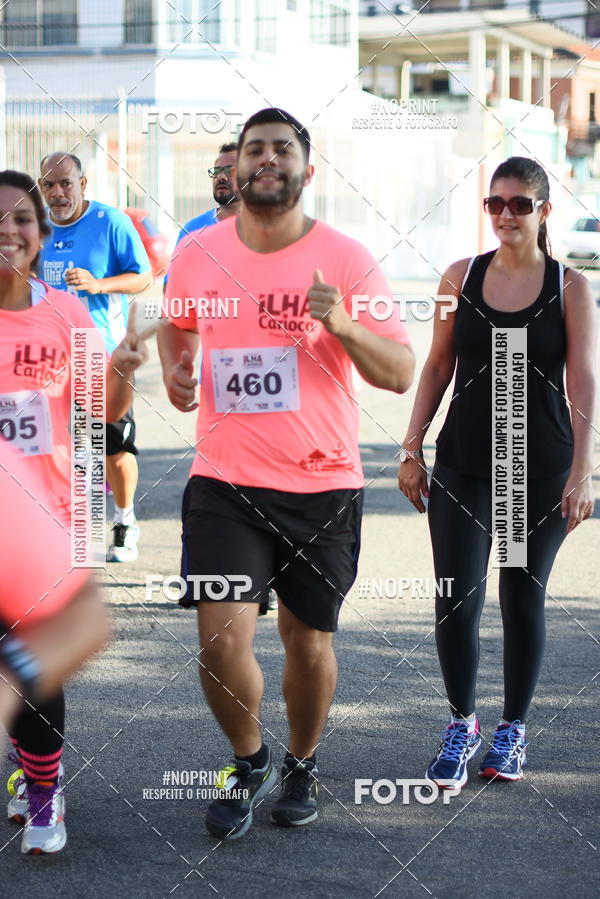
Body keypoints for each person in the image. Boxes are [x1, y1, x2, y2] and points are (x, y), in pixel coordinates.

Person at [159, 107, 414, 839]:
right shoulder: (198, 251)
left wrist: (343, 326)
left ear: (308, 167)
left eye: (282, 148)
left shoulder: (347, 257)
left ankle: (301, 761)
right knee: (219, 640)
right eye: (253, 149)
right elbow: (180, 321)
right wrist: (180, 365)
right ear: (235, 168)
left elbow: (398, 370)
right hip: (225, 479)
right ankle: (249, 757)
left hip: (322, 482)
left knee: (307, 642)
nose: (266, 158)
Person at [398, 156, 596, 787]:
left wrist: (583, 471)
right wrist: (411, 446)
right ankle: (462, 723)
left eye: (520, 204)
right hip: (465, 464)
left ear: (544, 211)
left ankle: (512, 730)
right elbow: (435, 367)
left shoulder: (570, 287)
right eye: (496, 204)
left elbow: (585, 381)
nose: (506, 215)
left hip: (537, 469)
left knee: (519, 593)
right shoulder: (460, 277)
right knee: (457, 595)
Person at [0, 168, 148, 854]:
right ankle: (29, 769)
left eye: (21, 219)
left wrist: (121, 368)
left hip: (43, 522)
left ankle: (43, 792)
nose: (8, 231)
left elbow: (102, 412)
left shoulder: (63, 312)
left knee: (32, 669)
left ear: (41, 233)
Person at [38, 152, 152, 563]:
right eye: (49, 184)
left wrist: (98, 284)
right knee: (57, 446)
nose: (58, 192)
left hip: (99, 352)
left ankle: (124, 521)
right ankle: (74, 529)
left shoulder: (111, 222)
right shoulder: (34, 228)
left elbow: (143, 276)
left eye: (66, 183)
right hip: (48, 358)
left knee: (112, 448)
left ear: (83, 185)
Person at [0, 440, 109, 731]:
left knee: (29, 626)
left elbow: (83, 615)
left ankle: (43, 775)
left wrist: (14, 679)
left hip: (51, 506)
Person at [174, 142, 239, 245]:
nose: (220, 177)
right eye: (217, 171)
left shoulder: (265, 228)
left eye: (229, 171)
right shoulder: (192, 230)